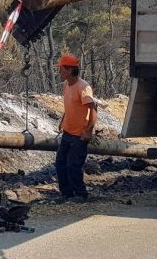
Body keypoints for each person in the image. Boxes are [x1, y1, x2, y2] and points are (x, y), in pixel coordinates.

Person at [55, 54, 97, 203]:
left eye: (61, 69)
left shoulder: (83, 87)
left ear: (69, 70)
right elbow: (69, 106)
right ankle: (67, 193)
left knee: (73, 165)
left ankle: (80, 193)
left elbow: (93, 110)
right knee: (60, 163)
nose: (59, 72)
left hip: (79, 135)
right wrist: (63, 121)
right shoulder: (66, 85)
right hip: (67, 132)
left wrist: (88, 131)